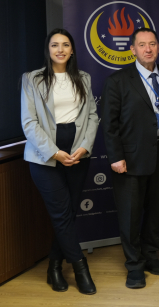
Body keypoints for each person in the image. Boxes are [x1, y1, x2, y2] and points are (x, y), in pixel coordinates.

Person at [20, 28, 98, 295]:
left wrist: (85, 146)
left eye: (65, 45)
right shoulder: (32, 79)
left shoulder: (84, 78)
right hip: (45, 156)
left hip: (78, 154)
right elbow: (29, 123)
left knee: (69, 214)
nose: (60, 49)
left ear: (72, 50)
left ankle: (54, 267)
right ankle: (80, 268)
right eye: (55, 45)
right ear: (48, 49)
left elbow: (92, 116)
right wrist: (54, 152)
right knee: (62, 214)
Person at [101, 28, 159, 289]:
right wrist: (116, 157)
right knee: (131, 215)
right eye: (142, 45)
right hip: (130, 159)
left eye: (152, 44)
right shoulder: (118, 81)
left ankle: (151, 256)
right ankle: (134, 266)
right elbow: (109, 124)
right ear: (132, 49)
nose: (148, 49)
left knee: (156, 211)